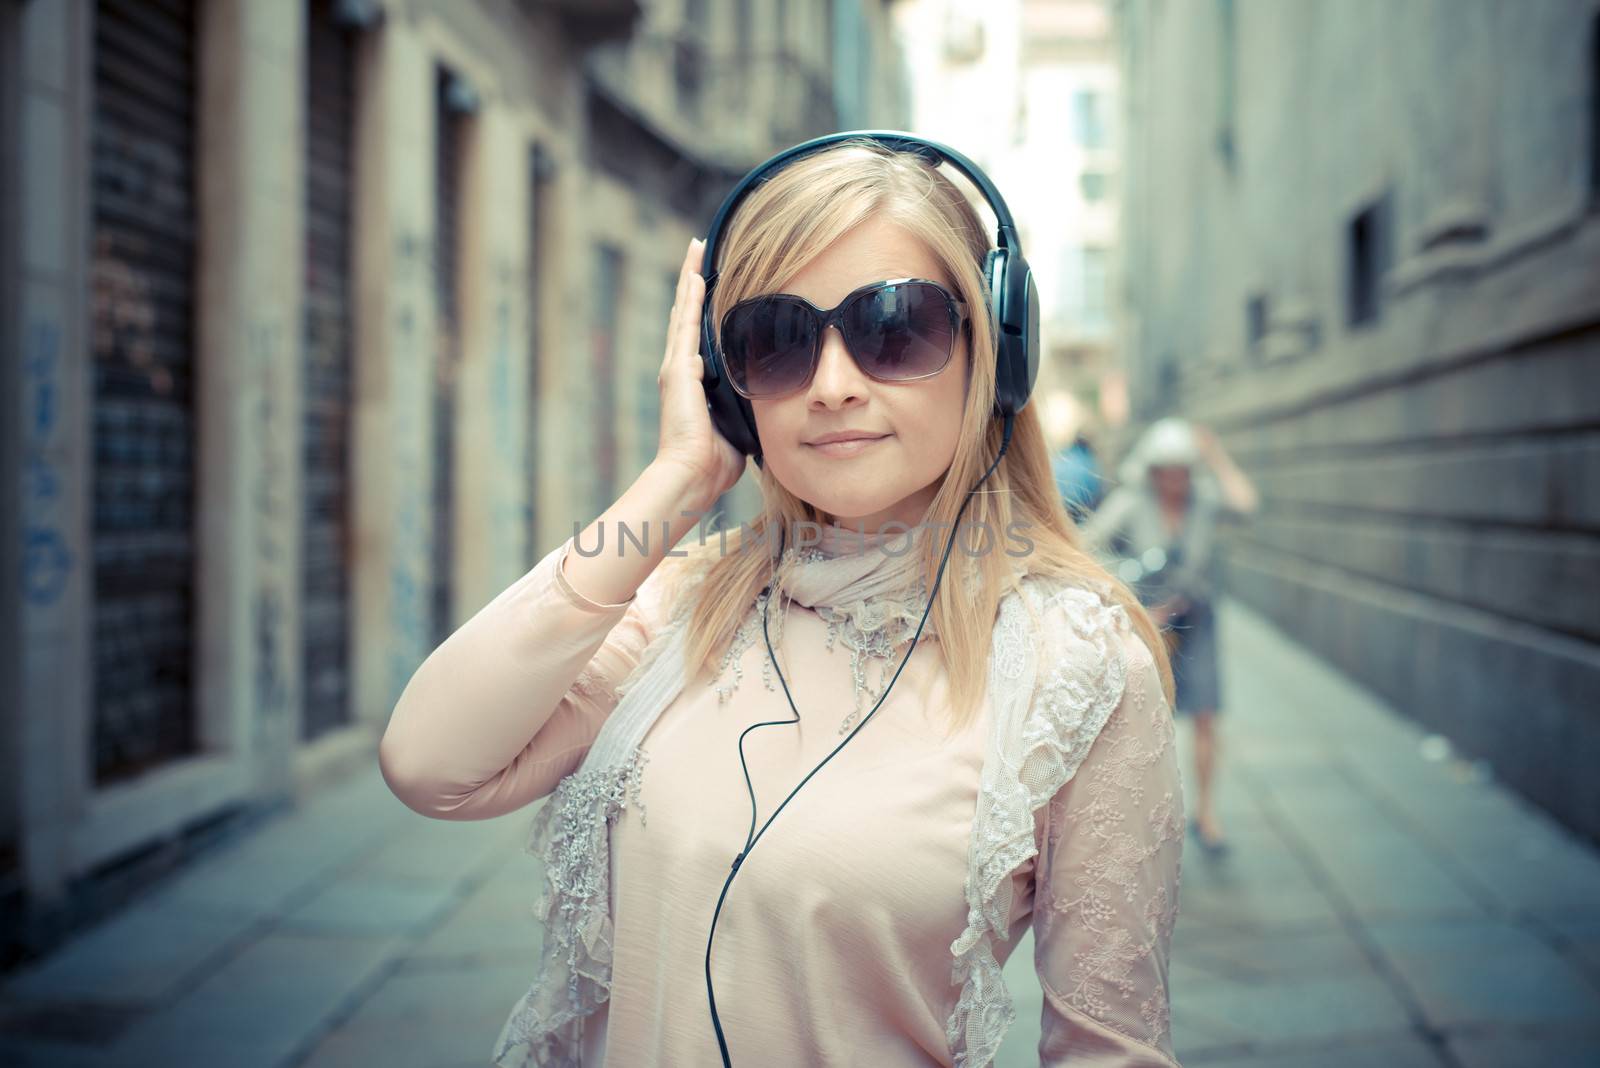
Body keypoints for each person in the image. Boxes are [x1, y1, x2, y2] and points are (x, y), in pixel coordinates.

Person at [378, 137, 1185, 1068]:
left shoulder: (1076, 664)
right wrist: (677, 484)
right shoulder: (684, 599)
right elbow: (431, 764)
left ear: (996, 352)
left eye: (896, 326)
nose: (834, 384)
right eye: (777, 342)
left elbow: (1110, 1052)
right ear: (728, 388)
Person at [1081, 418, 1258, 858]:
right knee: (1142, 719)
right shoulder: (1132, 501)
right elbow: (1085, 547)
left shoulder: (1204, 499)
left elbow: (1247, 503)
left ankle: (1206, 813)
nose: (1176, 478)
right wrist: (1132, 599)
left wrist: (1214, 455)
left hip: (1197, 617)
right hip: (1150, 624)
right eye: (1167, 468)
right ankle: (1143, 816)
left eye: (1184, 468)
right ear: (1153, 469)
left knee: (1205, 715)